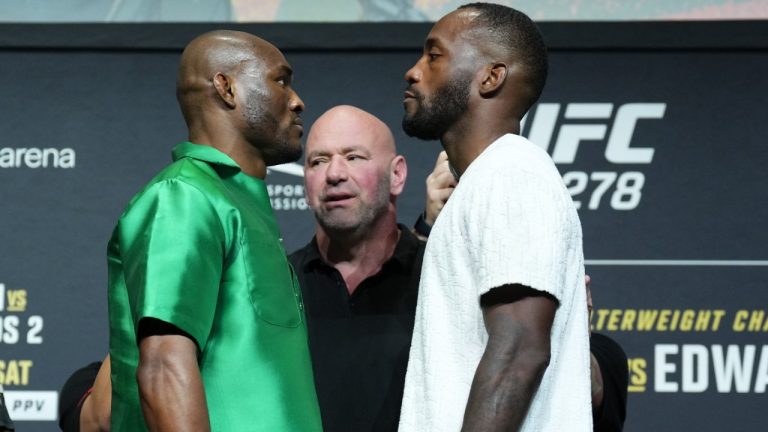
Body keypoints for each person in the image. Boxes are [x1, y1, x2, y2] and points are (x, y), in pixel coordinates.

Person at [106, 30, 321, 431]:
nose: (297, 100)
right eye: (281, 80)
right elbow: (164, 367)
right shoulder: (183, 195)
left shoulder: (235, 200)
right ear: (226, 88)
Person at [399, 3, 591, 431]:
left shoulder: (511, 173)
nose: (413, 72)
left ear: (491, 76)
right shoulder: (484, 182)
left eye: (434, 55)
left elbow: (521, 348)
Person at [289, 105, 422, 431]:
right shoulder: (278, 283)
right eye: (318, 161)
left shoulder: (440, 277)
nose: (334, 174)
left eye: (354, 157)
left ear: (397, 175)